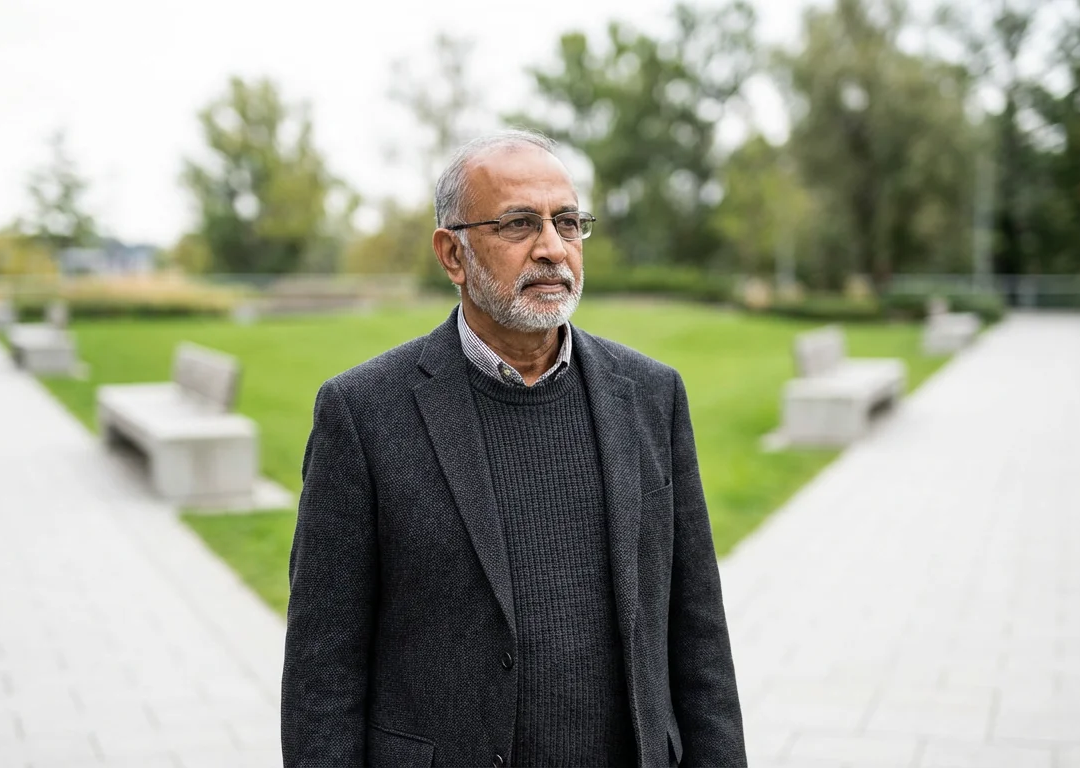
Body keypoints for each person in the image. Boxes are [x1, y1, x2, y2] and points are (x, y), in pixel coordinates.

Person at [281, 129, 746, 767]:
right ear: (452, 253)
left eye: (569, 223)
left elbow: (699, 639)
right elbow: (321, 672)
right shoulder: (362, 413)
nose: (553, 249)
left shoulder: (652, 396)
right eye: (520, 225)